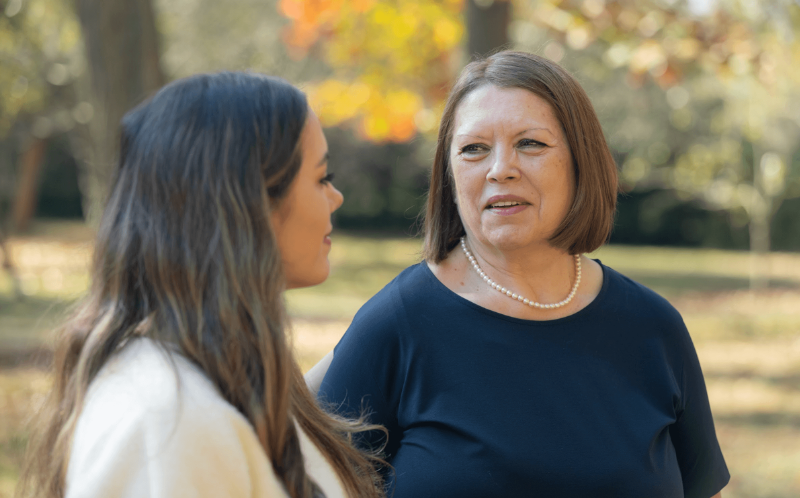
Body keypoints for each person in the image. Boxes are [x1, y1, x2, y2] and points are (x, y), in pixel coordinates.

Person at [317, 51, 729, 498]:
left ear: (581, 162)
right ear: (450, 176)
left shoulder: (653, 327)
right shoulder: (396, 323)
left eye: (530, 143)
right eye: (474, 149)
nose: (500, 169)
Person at [16, 72, 384, 498]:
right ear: (251, 204)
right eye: (321, 177)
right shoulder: (168, 423)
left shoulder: (233, 375)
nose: (336, 196)